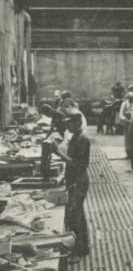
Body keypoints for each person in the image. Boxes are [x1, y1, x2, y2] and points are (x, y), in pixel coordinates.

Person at [52, 111, 90, 258]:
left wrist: (58, 153)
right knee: (78, 214)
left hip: (79, 180)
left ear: (77, 123)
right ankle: (83, 247)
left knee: (75, 216)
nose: (67, 124)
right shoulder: (75, 137)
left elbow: (76, 163)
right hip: (75, 179)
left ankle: (78, 251)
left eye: (69, 122)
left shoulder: (82, 139)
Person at [119, 92, 133, 157]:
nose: (132, 100)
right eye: (130, 99)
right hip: (127, 122)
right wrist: (125, 119)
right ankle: (128, 152)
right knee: (127, 138)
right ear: (128, 98)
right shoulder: (124, 104)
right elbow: (121, 114)